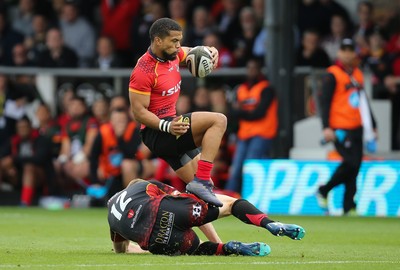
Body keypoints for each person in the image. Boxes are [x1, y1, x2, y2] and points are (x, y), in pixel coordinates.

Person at [129, 18, 226, 208]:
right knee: (219, 120)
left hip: (174, 128)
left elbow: (191, 51)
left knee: (203, 200)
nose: (178, 45)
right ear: (158, 40)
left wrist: (210, 51)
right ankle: (203, 179)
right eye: (174, 41)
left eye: (179, 40)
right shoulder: (144, 70)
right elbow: (138, 112)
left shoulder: (173, 55)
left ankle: (217, 239)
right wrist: (167, 126)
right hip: (158, 131)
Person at [107, 178, 305, 256]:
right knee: (230, 204)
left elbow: (120, 251)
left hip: (156, 241)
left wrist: (143, 247)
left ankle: (228, 249)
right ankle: (270, 224)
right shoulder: (144, 186)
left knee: (197, 248)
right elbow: (180, 205)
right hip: (166, 211)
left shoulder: (111, 219)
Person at [316, 38, 378, 215]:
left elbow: (363, 101)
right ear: (339, 53)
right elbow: (324, 102)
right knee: (350, 162)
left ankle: (348, 205)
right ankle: (324, 189)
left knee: (355, 166)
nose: (348, 53)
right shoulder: (332, 74)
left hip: (357, 127)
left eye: (351, 50)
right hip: (339, 128)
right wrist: (326, 127)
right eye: (344, 50)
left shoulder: (357, 73)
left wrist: (373, 124)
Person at [225, 58, 277, 193]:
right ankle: (228, 198)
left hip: (262, 134)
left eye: (254, 68)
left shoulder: (266, 88)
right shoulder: (241, 89)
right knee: (236, 168)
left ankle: (249, 198)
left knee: (250, 167)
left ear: (259, 70)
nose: (251, 71)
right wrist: (245, 112)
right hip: (244, 134)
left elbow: (259, 114)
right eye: (249, 68)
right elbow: (232, 112)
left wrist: (241, 111)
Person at [89, 108, 142, 198]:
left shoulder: (132, 130)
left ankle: (132, 199)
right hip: (110, 171)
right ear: (111, 121)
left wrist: (120, 138)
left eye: (122, 121)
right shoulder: (103, 132)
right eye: (117, 121)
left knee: (127, 165)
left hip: (131, 168)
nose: (119, 124)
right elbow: (93, 157)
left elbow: (132, 154)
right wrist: (95, 182)